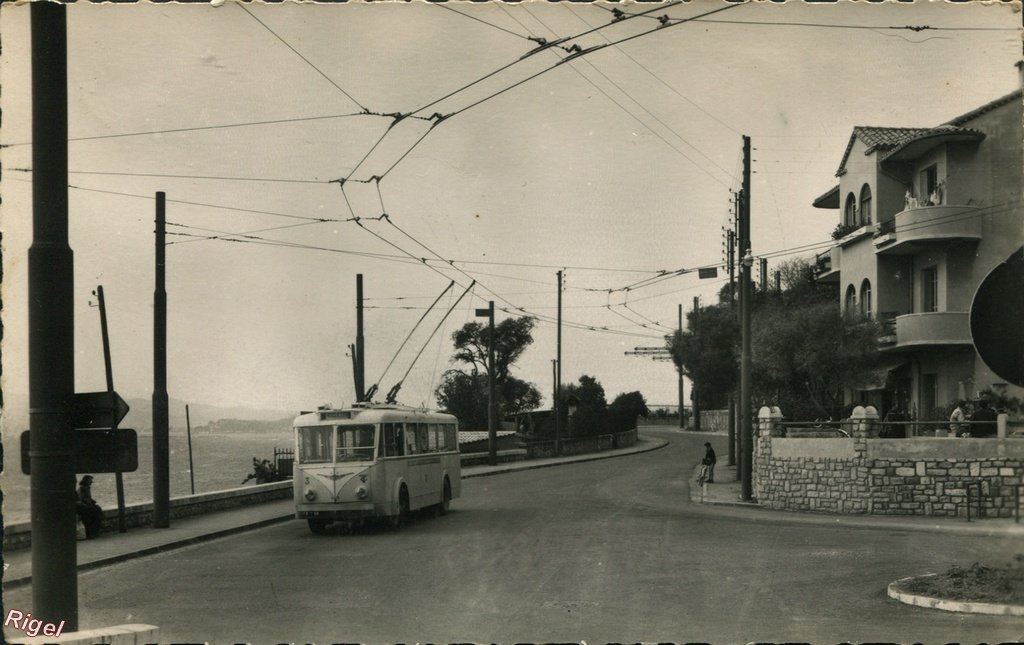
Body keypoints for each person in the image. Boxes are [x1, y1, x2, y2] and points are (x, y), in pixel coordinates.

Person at [76, 475, 103, 539]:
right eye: (90, 480)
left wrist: (92, 501)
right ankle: (92, 533)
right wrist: (90, 503)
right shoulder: (82, 488)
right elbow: (82, 498)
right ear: (86, 481)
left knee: (97, 510)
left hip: (86, 505)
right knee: (96, 512)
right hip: (84, 506)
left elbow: (88, 498)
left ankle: (93, 532)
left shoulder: (87, 488)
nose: (91, 482)